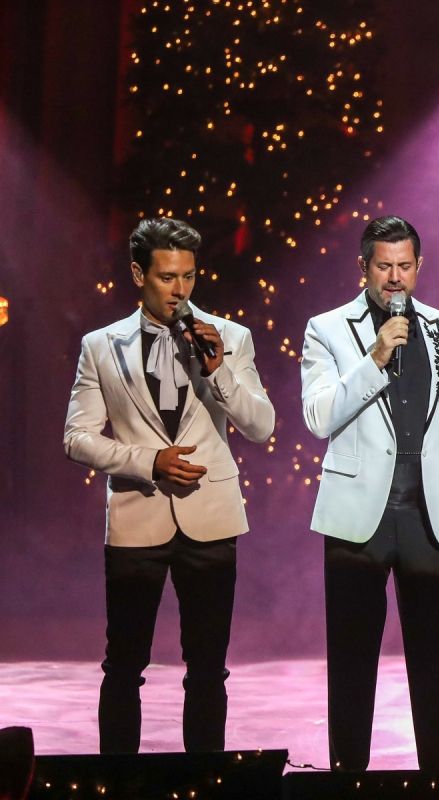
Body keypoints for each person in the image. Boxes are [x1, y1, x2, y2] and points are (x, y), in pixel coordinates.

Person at [301, 215, 439, 772]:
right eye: (384, 266)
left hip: (428, 514)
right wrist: (374, 359)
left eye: (405, 266)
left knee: (433, 660)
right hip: (358, 517)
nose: (395, 278)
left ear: (419, 266)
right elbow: (318, 416)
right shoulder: (327, 329)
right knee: (352, 660)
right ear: (363, 267)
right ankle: (348, 776)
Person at [64, 217, 275, 753]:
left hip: (211, 519)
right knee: (124, 664)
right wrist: (148, 461)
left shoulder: (230, 337)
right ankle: (119, 782)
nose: (180, 289)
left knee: (208, 668)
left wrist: (219, 372)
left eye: (188, 276)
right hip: (137, 518)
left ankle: (206, 779)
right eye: (166, 277)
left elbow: (261, 426)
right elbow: (77, 438)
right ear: (139, 275)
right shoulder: (100, 345)